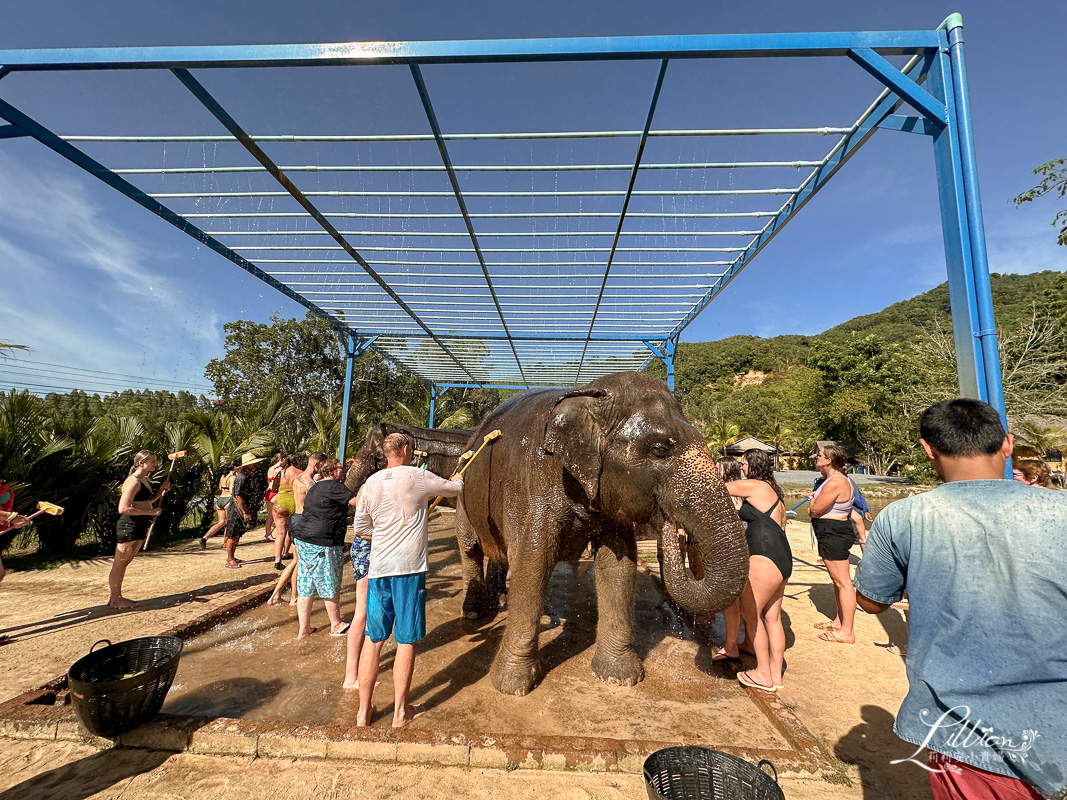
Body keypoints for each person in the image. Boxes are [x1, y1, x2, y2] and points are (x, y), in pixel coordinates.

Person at [855, 399, 1067, 799]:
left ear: (928, 449)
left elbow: (871, 602)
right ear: (1007, 443)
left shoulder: (905, 517)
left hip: (967, 735)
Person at [354, 432, 464, 728]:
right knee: (406, 640)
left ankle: (363, 712)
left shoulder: (371, 483)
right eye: (411, 449)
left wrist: (385, 536)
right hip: (409, 570)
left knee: (373, 639)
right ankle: (400, 713)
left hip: (378, 569)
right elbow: (456, 489)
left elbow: (361, 526)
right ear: (404, 449)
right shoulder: (417, 476)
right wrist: (458, 475)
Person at [723, 449, 791, 692]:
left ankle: (762, 673)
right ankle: (775, 674)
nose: (741, 467)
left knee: (751, 614)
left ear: (753, 464)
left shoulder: (754, 486)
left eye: (743, 464)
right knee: (773, 617)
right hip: (782, 558)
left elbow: (719, 488)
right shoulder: (776, 494)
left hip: (764, 556)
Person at [291, 456, 357, 639]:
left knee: (307, 583)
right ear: (330, 471)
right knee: (329, 581)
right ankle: (336, 624)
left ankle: (304, 628)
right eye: (339, 468)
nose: (341, 471)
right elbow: (357, 502)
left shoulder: (316, 486)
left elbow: (322, 510)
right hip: (322, 541)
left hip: (303, 539)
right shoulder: (335, 486)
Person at [808, 443, 857, 644]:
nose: (817, 458)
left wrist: (811, 500)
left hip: (834, 533)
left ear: (829, 460)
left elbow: (815, 510)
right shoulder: (831, 480)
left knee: (843, 582)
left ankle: (847, 632)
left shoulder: (836, 482)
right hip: (830, 533)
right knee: (837, 582)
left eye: (820, 455)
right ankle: (839, 622)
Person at [108, 450, 169, 608]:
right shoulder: (134, 481)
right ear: (141, 463)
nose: (155, 464)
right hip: (129, 525)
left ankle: (116, 597)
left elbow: (145, 501)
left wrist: (160, 492)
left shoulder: (145, 479)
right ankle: (115, 599)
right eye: (152, 461)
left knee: (125, 563)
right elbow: (123, 508)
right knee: (119, 563)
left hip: (139, 525)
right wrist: (150, 512)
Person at [268, 451, 326, 607]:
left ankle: (282, 594)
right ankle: (285, 596)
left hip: (292, 515)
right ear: (316, 465)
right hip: (303, 520)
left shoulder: (291, 477)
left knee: (296, 560)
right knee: (297, 561)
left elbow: (272, 488)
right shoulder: (308, 481)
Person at [709, 457, 746, 661]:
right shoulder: (745, 491)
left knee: (730, 599)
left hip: (729, 550)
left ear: (727, 471)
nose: (714, 470)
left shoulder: (727, 492)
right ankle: (745, 640)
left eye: (717, 468)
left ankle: (731, 645)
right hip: (744, 548)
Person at [223, 453, 262, 568]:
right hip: (237, 509)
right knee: (232, 533)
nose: (255, 465)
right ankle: (229, 558)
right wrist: (245, 512)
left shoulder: (245, 476)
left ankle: (232, 557)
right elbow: (238, 495)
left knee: (237, 534)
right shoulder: (241, 478)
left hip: (239, 508)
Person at [271, 454, 302, 570]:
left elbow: (274, 489)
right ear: (297, 462)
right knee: (290, 529)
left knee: (280, 533)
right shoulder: (300, 473)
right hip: (293, 500)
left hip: (280, 501)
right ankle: (286, 552)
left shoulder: (281, 472)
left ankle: (277, 559)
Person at [200, 462, 235, 549]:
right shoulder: (232, 477)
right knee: (228, 523)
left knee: (220, 522)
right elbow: (231, 491)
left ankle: (205, 537)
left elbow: (220, 488)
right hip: (228, 499)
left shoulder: (223, 477)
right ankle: (225, 543)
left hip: (221, 499)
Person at [263, 452, 285, 544]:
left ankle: (268, 534)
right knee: (279, 515)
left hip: (268, 492)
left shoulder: (270, 469)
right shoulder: (280, 469)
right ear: (281, 459)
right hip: (275, 492)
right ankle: (270, 534)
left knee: (270, 516)